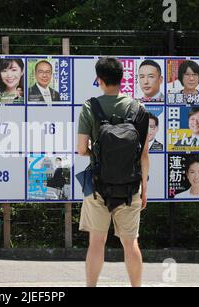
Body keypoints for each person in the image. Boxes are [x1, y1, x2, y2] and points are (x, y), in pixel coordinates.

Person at [77, 57, 149, 287]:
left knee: (97, 242)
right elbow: (144, 154)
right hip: (130, 186)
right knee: (131, 242)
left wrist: (96, 154)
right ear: (122, 79)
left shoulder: (90, 106)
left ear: (99, 79)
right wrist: (144, 189)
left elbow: (81, 149)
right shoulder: (138, 108)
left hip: (98, 185)